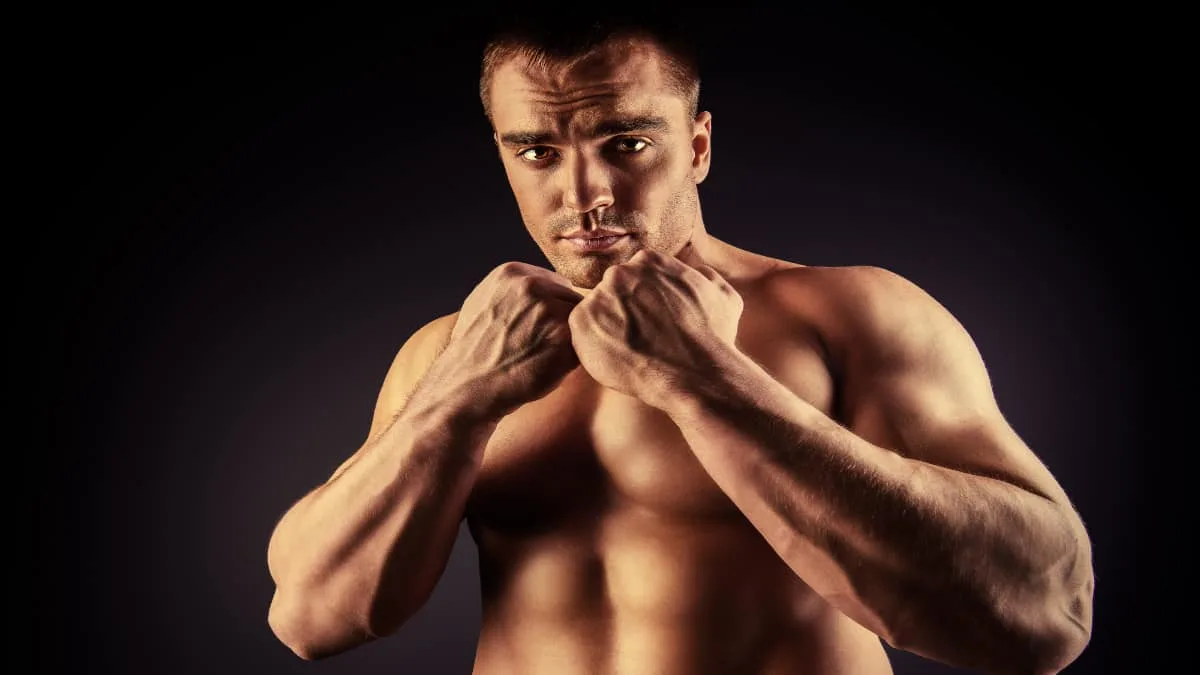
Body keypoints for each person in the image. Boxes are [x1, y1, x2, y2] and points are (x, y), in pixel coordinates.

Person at [265, 12, 1094, 674]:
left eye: (626, 144)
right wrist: (454, 404)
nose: (584, 193)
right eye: (538, 152)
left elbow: (1046, 614)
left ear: (696, 146)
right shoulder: (453, 351)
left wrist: (712, 381)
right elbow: (312, 616)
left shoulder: (848, 315)